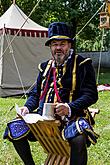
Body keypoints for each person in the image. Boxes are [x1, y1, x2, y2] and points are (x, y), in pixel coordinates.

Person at [4, 22, 98, 165]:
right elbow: (35, 94)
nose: (58, 48)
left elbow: (91, 94)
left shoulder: (82, 64)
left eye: (62, 44)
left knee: (78, 138)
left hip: (72, 117)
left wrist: (69, 107)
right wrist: (27, 108)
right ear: (50, 46)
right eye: (54, 44)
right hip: (43, 119)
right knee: (14, 128)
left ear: (69, 45)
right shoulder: (44, 67)